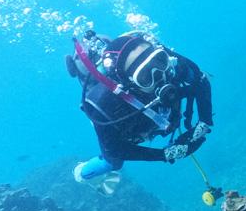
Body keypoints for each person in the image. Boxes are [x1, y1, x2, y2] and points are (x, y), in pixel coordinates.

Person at [65, 29, 215, 182]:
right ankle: (81, 173)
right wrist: (165, 154)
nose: (159, 76)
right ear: (127, 82)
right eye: (144, 76)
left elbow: (201, 81)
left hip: (153, 115)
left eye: (159, 61)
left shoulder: (172, 65)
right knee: (113, 163)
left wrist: (204, 122)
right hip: (130, 125)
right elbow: (114, 149)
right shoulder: (103, 104)